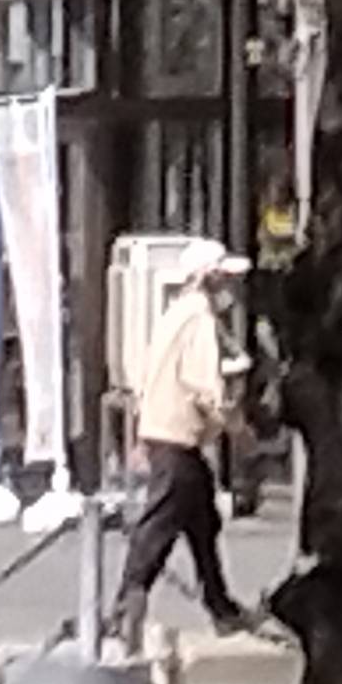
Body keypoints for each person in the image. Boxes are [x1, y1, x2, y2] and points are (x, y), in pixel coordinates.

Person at [114, 238, 249, 640]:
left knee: (202, 522)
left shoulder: (172, 315)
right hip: (178, 439)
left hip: (165, 435)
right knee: (157, 528)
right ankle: (126, 605)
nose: (231, 286)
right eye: (224, 277)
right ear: (208, 277)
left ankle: (220, 605)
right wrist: (234, 425)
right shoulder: (199, 319)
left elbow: (146, 376)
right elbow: (202, 382)